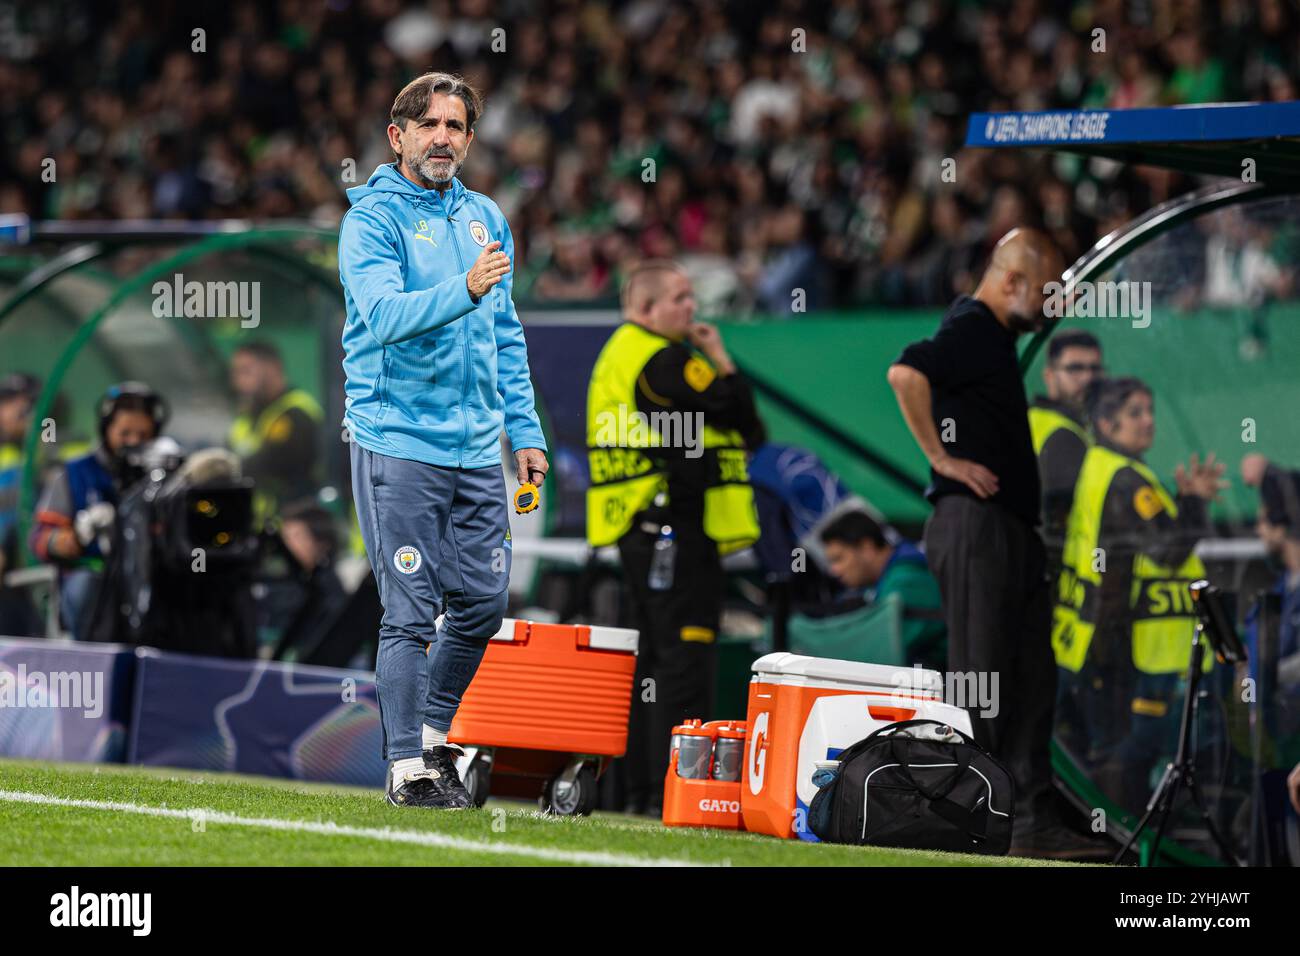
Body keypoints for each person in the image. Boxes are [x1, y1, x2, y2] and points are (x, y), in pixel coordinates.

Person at [339, 72, 549, 810]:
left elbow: (506, 335)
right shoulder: (370, 221)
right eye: (428, 124)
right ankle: (402, 770)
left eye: (456, 126)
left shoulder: (488, 217)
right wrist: (463, 286)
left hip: (474, 452)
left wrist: (524, 432)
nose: (443, 138)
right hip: (397, 440)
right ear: (397, 136)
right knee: (407, 611)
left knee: (484, 607)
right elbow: (386, 315)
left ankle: (433, 739)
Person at [888, 227, 1093, 857]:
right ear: (1011, 281)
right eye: (1049, 292)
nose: (1057, 305)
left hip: (1003, 531)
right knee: (985, 681)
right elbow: (905, 372)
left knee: (1029, 679)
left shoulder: (994, 338)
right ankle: (981, 822)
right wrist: (941, 459)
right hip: (976, 528)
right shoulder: (975, 325)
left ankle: (1028, 822)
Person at [586, 259, 763, 816]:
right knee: (684, 667)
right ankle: (676, 796)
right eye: (680, 298)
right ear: (646, 309)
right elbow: (748, 424)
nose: (692, 308)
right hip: (674, 530)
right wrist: (720, 362)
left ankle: (640, 796)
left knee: (650, 671)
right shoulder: (663, 360)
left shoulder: (621, 356)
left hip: (637, 526)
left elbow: (739, 425)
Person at [1053, 377, 1225, 811]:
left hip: (1089, 635)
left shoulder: (1097, 464)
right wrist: (1192, 501)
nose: (1148, 422)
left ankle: (1107, 842)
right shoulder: (1128, 480)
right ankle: (1123, 849)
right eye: (1135, 413)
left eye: (1150, 411)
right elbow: (1168, 550)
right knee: (1124, 753)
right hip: (1119, 642)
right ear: (1107, 423)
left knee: (1108, 749)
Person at [29, 383, 167, 640]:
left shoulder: (166, 478)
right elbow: (39, 540)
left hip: (148, 582)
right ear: (106, 429)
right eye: (125, 433)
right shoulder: (75, 473)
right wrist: (77, 537)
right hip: (94, 584)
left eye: (143, 434)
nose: (134, 442)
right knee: (87, 584)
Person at [819, 510, 946, 671]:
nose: (834, 570)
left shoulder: (907, 580)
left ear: (867, 548)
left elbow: (878, 652)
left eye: (839, 559)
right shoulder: (892, 577)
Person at [1029, 330, 1103, 566]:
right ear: (1049, 375)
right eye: (1075, 369)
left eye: (1095, 369)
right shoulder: (1063, 436)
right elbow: (1060, 522)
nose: (1087, 378)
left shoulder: (1036, 419)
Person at [227, 341, 324, 522]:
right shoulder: (246, 418)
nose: (238, 380)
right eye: (236, 373)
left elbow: (273, 464)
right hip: (257, 523)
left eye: (246, 371)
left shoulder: (296, 412)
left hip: (293, 525)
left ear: (273, 368)